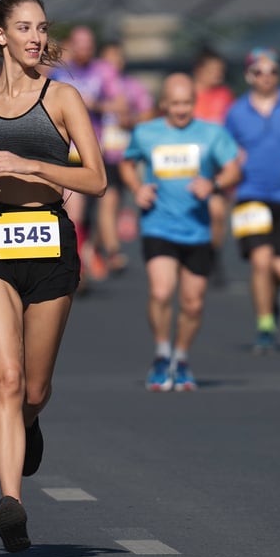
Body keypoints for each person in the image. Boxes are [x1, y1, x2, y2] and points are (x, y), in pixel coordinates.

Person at [0, 0, 106, 553]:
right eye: (25, 27)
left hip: (50, 238)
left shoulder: (63, 99)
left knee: (33, 388)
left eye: (43, 27)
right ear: (1, 35)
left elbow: (96, 179)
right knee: (3, 379)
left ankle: (30, 423)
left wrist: (32, 163)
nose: (37, 37)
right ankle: (12, 503)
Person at [119, 73, 242, 391]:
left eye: (187, 102)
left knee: (193, 303)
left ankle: (182, 357)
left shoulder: (211, 134)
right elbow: (126, 163)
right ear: (163, 104)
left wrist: (212, 184)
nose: (181, 109)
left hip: (197, 228)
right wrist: (137, 188)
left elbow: (233, 169)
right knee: (161, 292)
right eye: (175, 103)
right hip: (158, 224)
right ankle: (161, 353)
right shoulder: (146, 133)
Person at [224, 47, 280, 353]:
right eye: (260, 71)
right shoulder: (236, 112)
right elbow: (223, 150)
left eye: (273, 71)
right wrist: (231, 159)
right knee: (261, 262)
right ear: (250, 75)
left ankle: (270, 299)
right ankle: (265, 325)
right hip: (250, 195)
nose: (267, 77)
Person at [49, 25, 122, 286]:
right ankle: (77, 264)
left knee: (98, 215)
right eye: (78, 43)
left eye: (88, 43)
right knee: (74, 213)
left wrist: (97, 105)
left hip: (94, 151)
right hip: (65, 152)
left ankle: (89, 254)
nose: (84, 48)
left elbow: (120, 104)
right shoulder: (57, 71)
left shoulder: (103, 71)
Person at [96, 41, 154, 274]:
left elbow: (149, 112)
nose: (113, 63)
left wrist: (131, 120)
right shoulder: (95, 86)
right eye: (109, 59)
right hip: (103, 153)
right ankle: (113, 251)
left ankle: (102, 247)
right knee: (108, 200)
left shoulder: (132, 86)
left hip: (128, 154)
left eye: (118, 58)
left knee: (120, 202)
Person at [192, 47, 235, 286]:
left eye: (221, 71)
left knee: (217, 214)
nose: (218, 75)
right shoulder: (187, 94)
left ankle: (212, 256)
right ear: (200, 71)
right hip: (188, 167)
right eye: (213, 71)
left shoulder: (225, 96)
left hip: (216, 168)